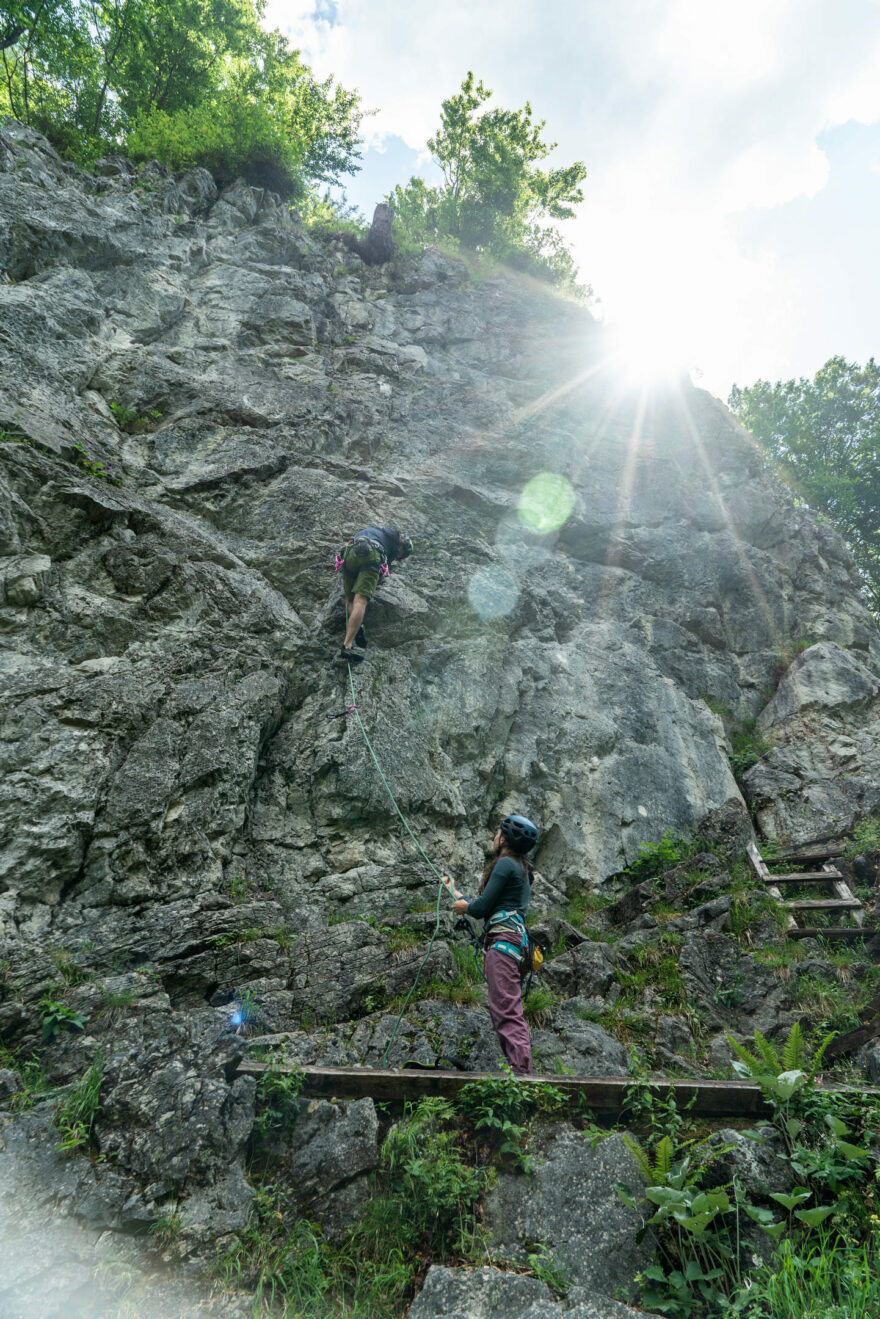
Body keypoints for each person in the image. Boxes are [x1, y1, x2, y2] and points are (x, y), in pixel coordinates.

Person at [446, 814, 539, 1076]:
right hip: (515, 944)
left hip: (503, 946)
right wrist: (455, 893)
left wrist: (467, 907)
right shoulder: (520, 868)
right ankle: (520, 1071)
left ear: (505, 838)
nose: (493, 837)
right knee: (508, 1008)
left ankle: (522, 1077)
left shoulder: (505, 864)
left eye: (497, 833)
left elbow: (480, 908)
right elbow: (488, 905)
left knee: (506, 1011)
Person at [336, 527, 412, 663]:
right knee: (361, 600)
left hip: (349, 553)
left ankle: (357, 628)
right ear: (402, 547)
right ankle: (347, 647)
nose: (397, 557)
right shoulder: (394, 544)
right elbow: (383, 570)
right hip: (371, 555)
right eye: (400, 555)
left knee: (351, 600)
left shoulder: (376, 531)